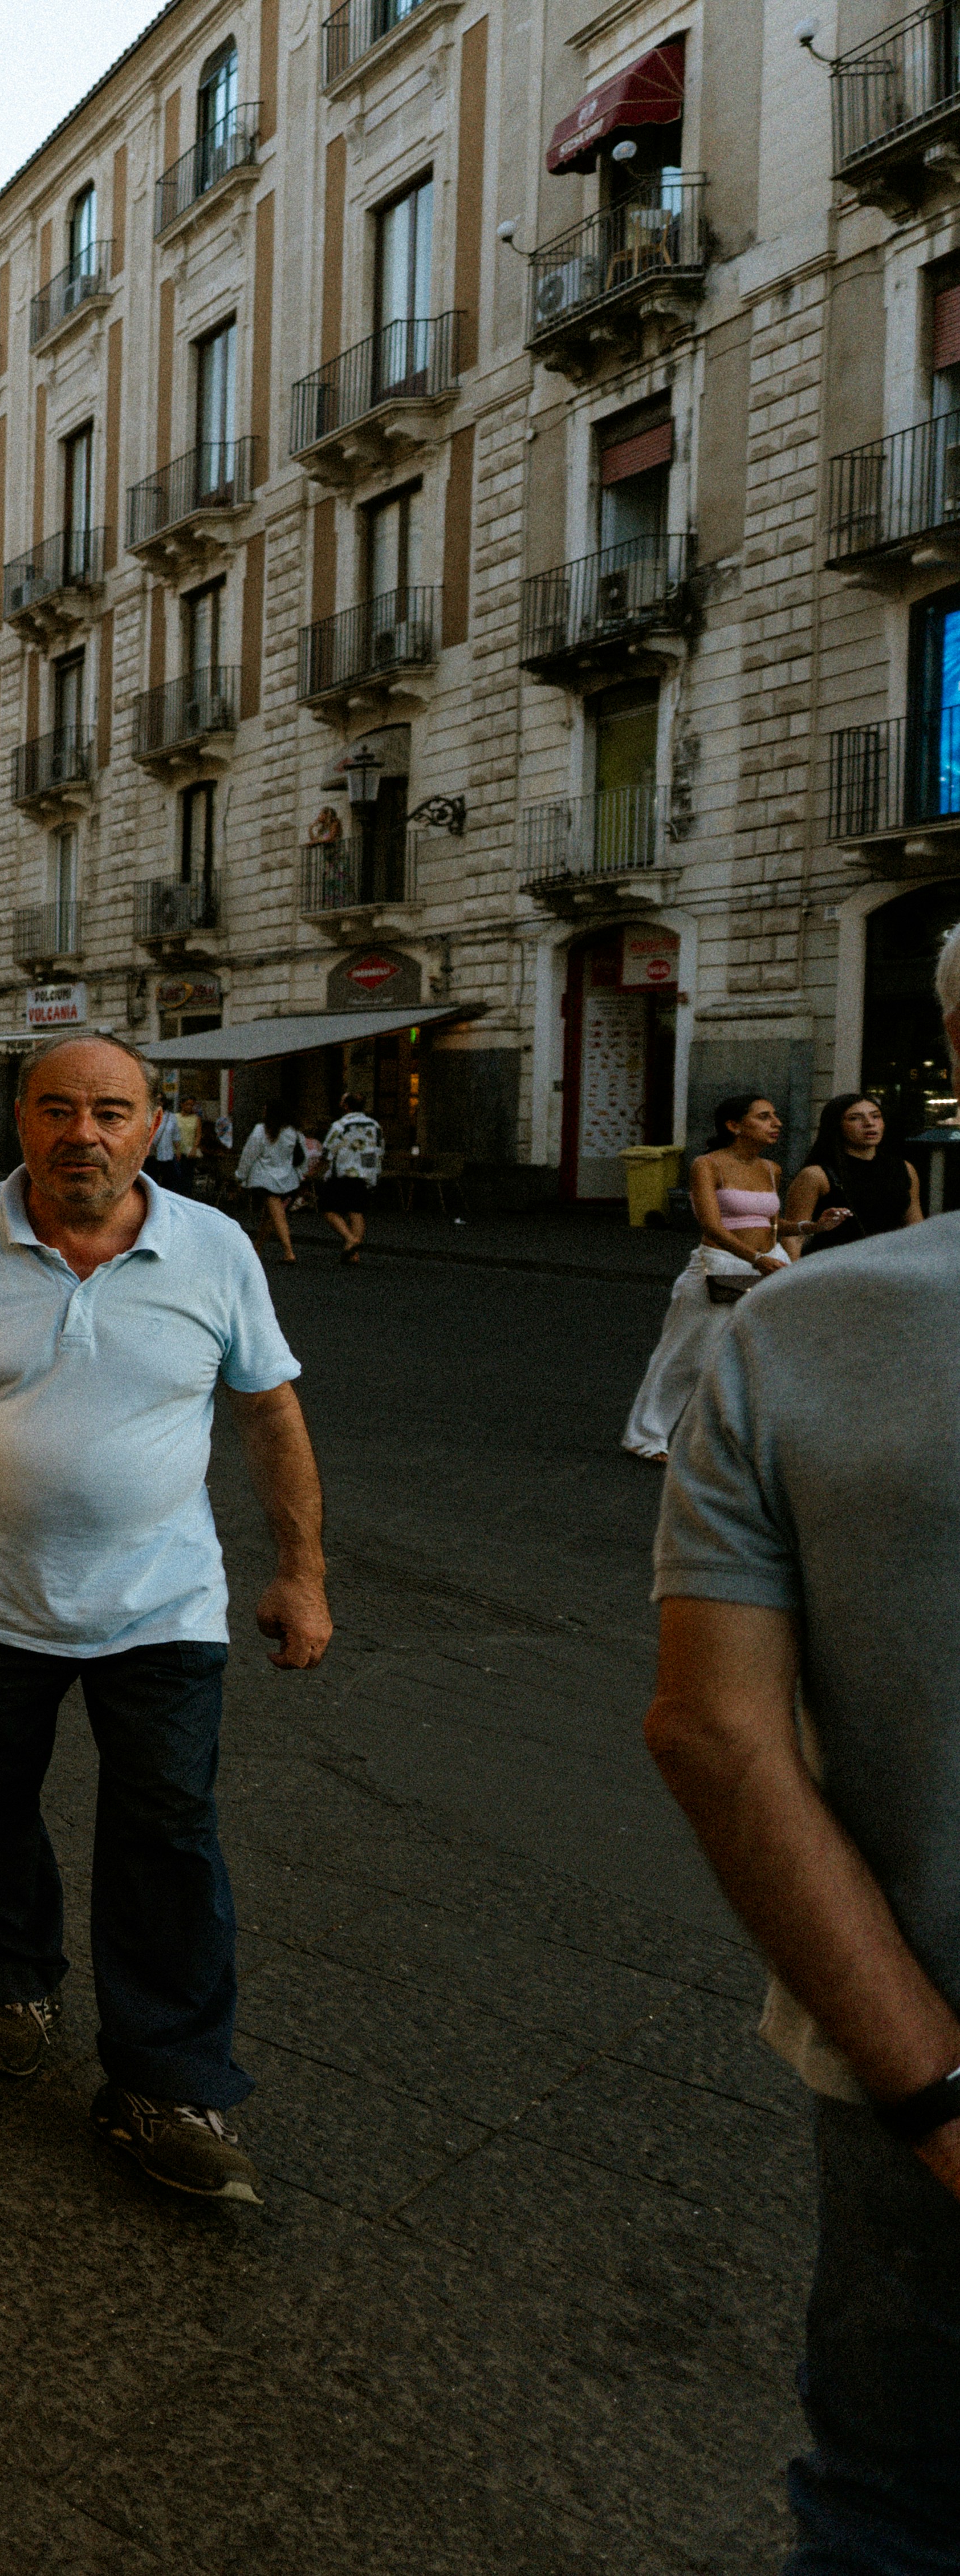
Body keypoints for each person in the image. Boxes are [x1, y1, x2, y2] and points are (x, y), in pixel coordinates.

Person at [0, 1033, 330, 2207]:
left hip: (162, 1603)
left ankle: (166, 2079)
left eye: (112, 1110)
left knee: (169, 1832)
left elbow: (270, 1410)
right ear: (21, 1120)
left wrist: (300, 1569)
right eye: (59, 1108)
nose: (85, 1132)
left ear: (153, 1125)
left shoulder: (212, 1247)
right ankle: (9, 1979)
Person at [643, 929, 960, 2570]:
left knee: (893, 2499)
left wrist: (932, 2085)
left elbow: (711, 1734)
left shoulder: (805, 1342)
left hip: (912, 2078)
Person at [623, 1096, 789, 1466]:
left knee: (757, 1356)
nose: (775, 1122)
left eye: (775, 1116)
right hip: (721, 1265)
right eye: (763, 1117)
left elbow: (769, 1223)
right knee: (686, 1356)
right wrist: (755, 1258)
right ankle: (644, 1436)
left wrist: (813, 1226)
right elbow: (711, 1224)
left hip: (767, 1265)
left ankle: (740, 1445)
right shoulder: (707, 1164)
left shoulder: (771, 1169)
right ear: (733, 1125)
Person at [783, 1090, 925, 1256]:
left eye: (876, 1116)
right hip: (833, 1267)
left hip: (889, 1265)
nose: (869, 1123)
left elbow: (916, 1226)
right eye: (855, 1118)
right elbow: (794, 1236)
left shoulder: (904, 1169)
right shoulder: (817, 1175)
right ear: (837, 1125)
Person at [315, 1094, 385, 1262]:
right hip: (365, 1172)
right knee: (356, 1211)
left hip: (344, 1171)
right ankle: (354, 1252)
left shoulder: (341, 1125)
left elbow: (328, 1150)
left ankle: (350, 1239)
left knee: (328, 1209)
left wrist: (318, 1168)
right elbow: (379, 1149)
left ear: (346, 1106)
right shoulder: (375, 1125)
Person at [237, 1109, 310, 1263]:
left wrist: (241, 1176)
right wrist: (302, 1173)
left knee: (276, 1214)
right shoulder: (294, 1132)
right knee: (269, 1215)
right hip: (287, 1178)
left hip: (264, 1178)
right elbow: (303, 1155)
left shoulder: (261, 1130)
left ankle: (289, 1251)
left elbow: (249, 1154)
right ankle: (257, 1248)